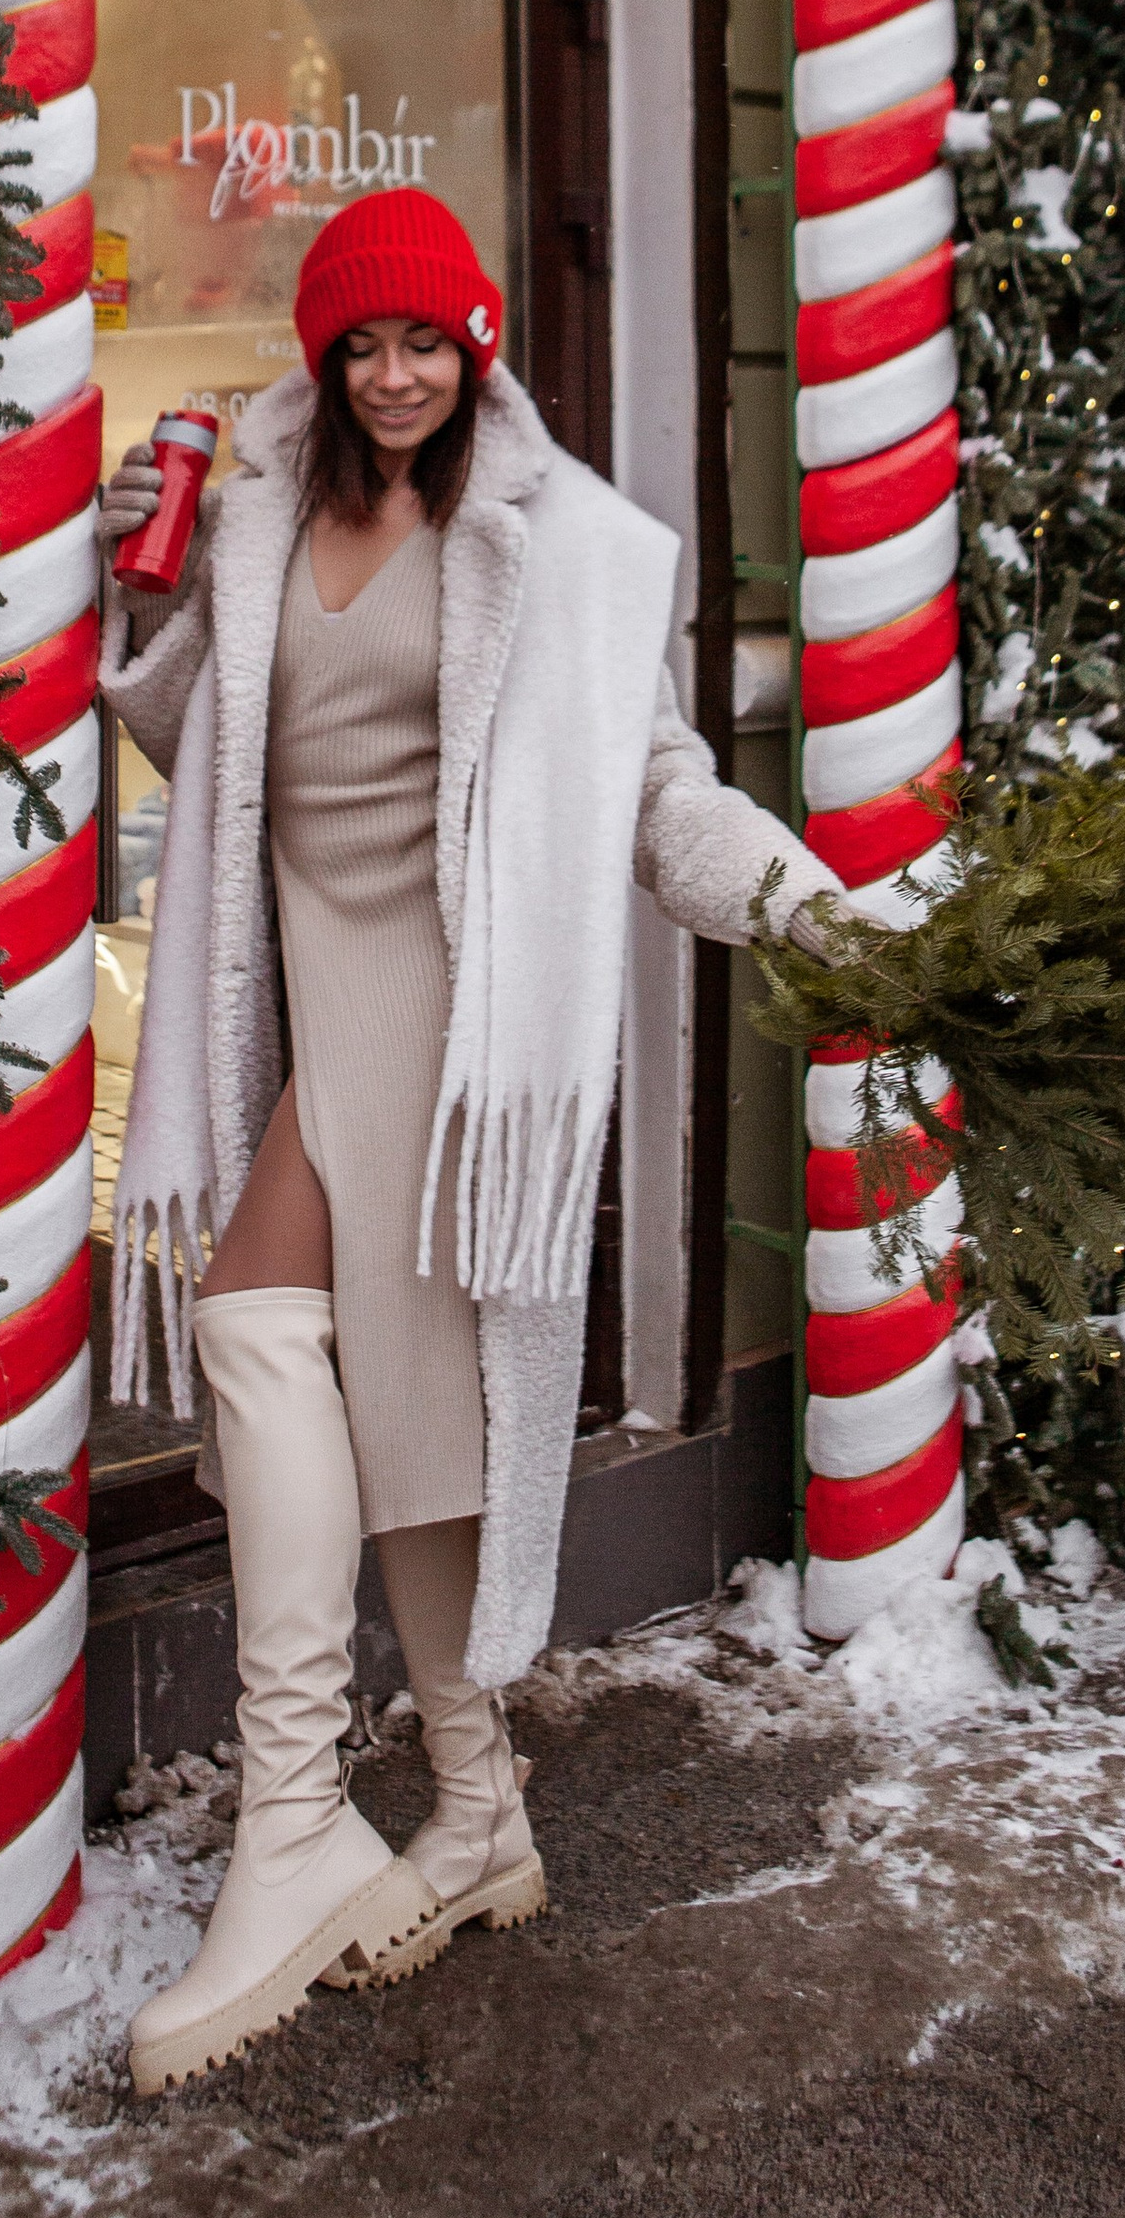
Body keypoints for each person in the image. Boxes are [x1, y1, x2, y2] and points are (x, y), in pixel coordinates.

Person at [95, 186, 875, 2093]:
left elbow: (661, 795)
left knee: (319, 1367)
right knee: (341, 1384)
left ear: (478, 345)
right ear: (322, 358)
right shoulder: (271, 507)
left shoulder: (564, 555)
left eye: (421, 340)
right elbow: (193, 734)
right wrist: (145, 586)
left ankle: (344, 1818)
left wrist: (835, 922)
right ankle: (447, 1809)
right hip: (315, 996)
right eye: (357, 344)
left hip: (461, 1045)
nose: (389, 374)